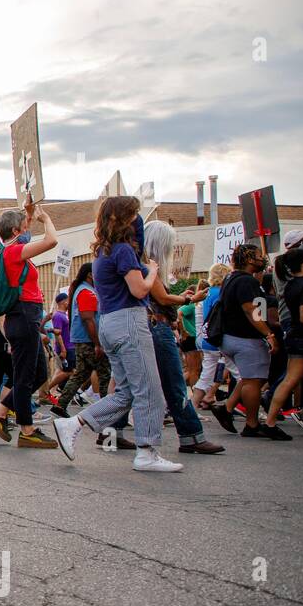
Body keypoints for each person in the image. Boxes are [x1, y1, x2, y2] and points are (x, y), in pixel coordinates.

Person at [51, 196, 181, 471]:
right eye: (134, 214)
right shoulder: (122, 250)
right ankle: (146, 453)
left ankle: (73, 423)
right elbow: (139, 290)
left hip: (112, 322)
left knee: (124, 393)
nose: (137, 219)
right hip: (129, 321)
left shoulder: (103, 252)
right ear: (123, 218)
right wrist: (153, 270)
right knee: (149, 391)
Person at [132, 221, 225, 454]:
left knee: (149, 385)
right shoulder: (148, 267)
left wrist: (179, 298)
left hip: (155, 327)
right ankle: (191, 436)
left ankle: (111, 427)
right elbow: (162, 298)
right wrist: (188, 299)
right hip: (157, 328)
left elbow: (161, 297)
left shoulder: (145, 267)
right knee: (173, 384)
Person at [0, 205, 59, 449]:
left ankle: (1, 411)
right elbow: (51, 241)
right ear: (16, 231)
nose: (29, 231)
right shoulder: (13, 252)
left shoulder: (12, 251)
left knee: (37, 372)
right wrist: (45, 219)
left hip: (27, 318)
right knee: (25, 375)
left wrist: (29, 210)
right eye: (25, 228)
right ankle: (27, 430)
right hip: (23, 316)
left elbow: (25, 227)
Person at [213, 243, 282, 439]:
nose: (262, 259)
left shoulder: (231, 278)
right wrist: (269, 334)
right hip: (245, 338)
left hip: (231, 337)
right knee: (254, 380)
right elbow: (251, 310)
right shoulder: (245, 282)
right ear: (250, 259)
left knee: (250, 377)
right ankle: (252, 424)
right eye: (259, 256)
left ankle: (226, 408)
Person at [53, 262, 112, 416]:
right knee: (105, 374)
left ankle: (60, 405)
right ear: (90, 275)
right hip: (88, 341)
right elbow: (88, 319)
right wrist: (98, 344)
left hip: (83, 341)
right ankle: (107, 411)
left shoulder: (85, 290)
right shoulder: (86, 291)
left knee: (81, 374)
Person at [268, 246, 303, 434]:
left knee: (289, 380)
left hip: (295, 336)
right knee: (290, 380)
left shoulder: (291, 285)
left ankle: (269, 422)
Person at [190, 263, 232, 410]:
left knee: (206, 375)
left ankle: (193, 406)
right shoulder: (221, 293)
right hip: (218, 339)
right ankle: (238, 406)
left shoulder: (209, 293)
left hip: (208, 338)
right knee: (242, 374)